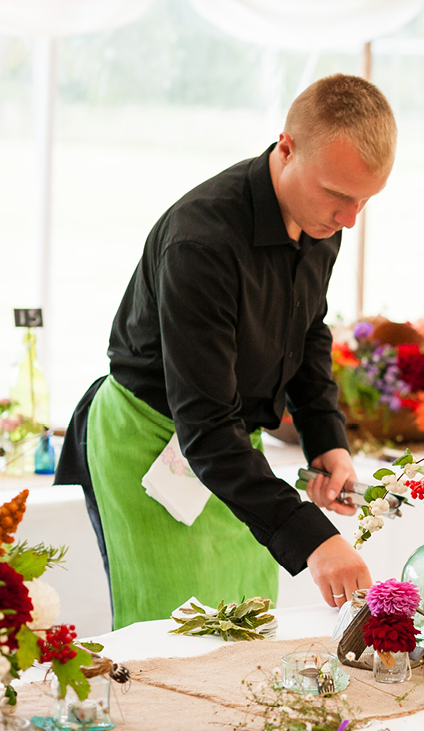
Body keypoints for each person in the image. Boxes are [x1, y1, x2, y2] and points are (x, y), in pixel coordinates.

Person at [56, 74, 395, 629]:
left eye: (365, 199)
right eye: (338, 194)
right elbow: (206, 425)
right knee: (171, 643)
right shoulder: (202, 242)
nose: (349, 219)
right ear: (287, 147)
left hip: (235, 452)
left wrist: (326, 438)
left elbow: (308, 330)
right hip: (151, 446)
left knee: (247, 636)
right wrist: (315, 540)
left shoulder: (322, 217)